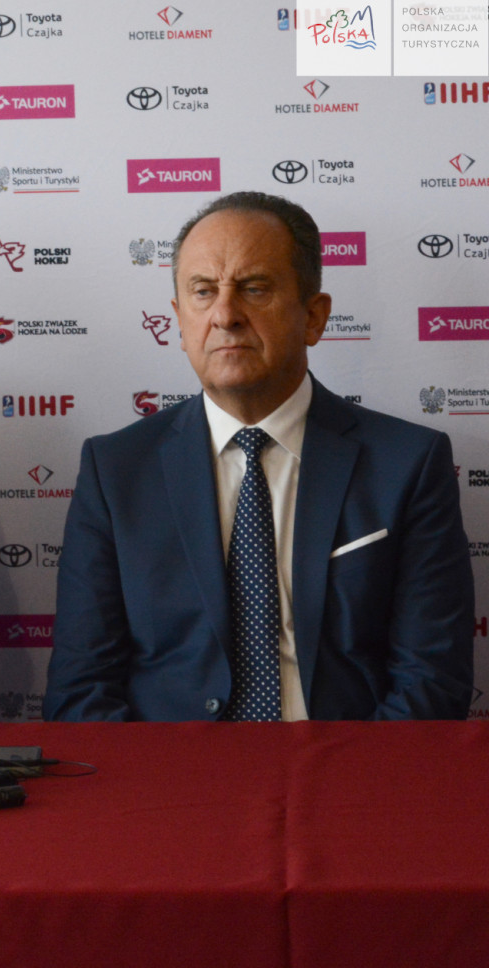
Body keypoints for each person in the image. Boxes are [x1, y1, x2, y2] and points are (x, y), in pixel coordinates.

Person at [45, 191, 474, 722]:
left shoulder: (408, 463)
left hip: (343, 760)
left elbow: (432, 681)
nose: (225, 315)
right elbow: (80, 690)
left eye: (254, 289)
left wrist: (349, 771)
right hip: (172, 766)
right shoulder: (115, 470)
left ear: (313, 316)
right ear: (179, 320)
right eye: (203, 292)